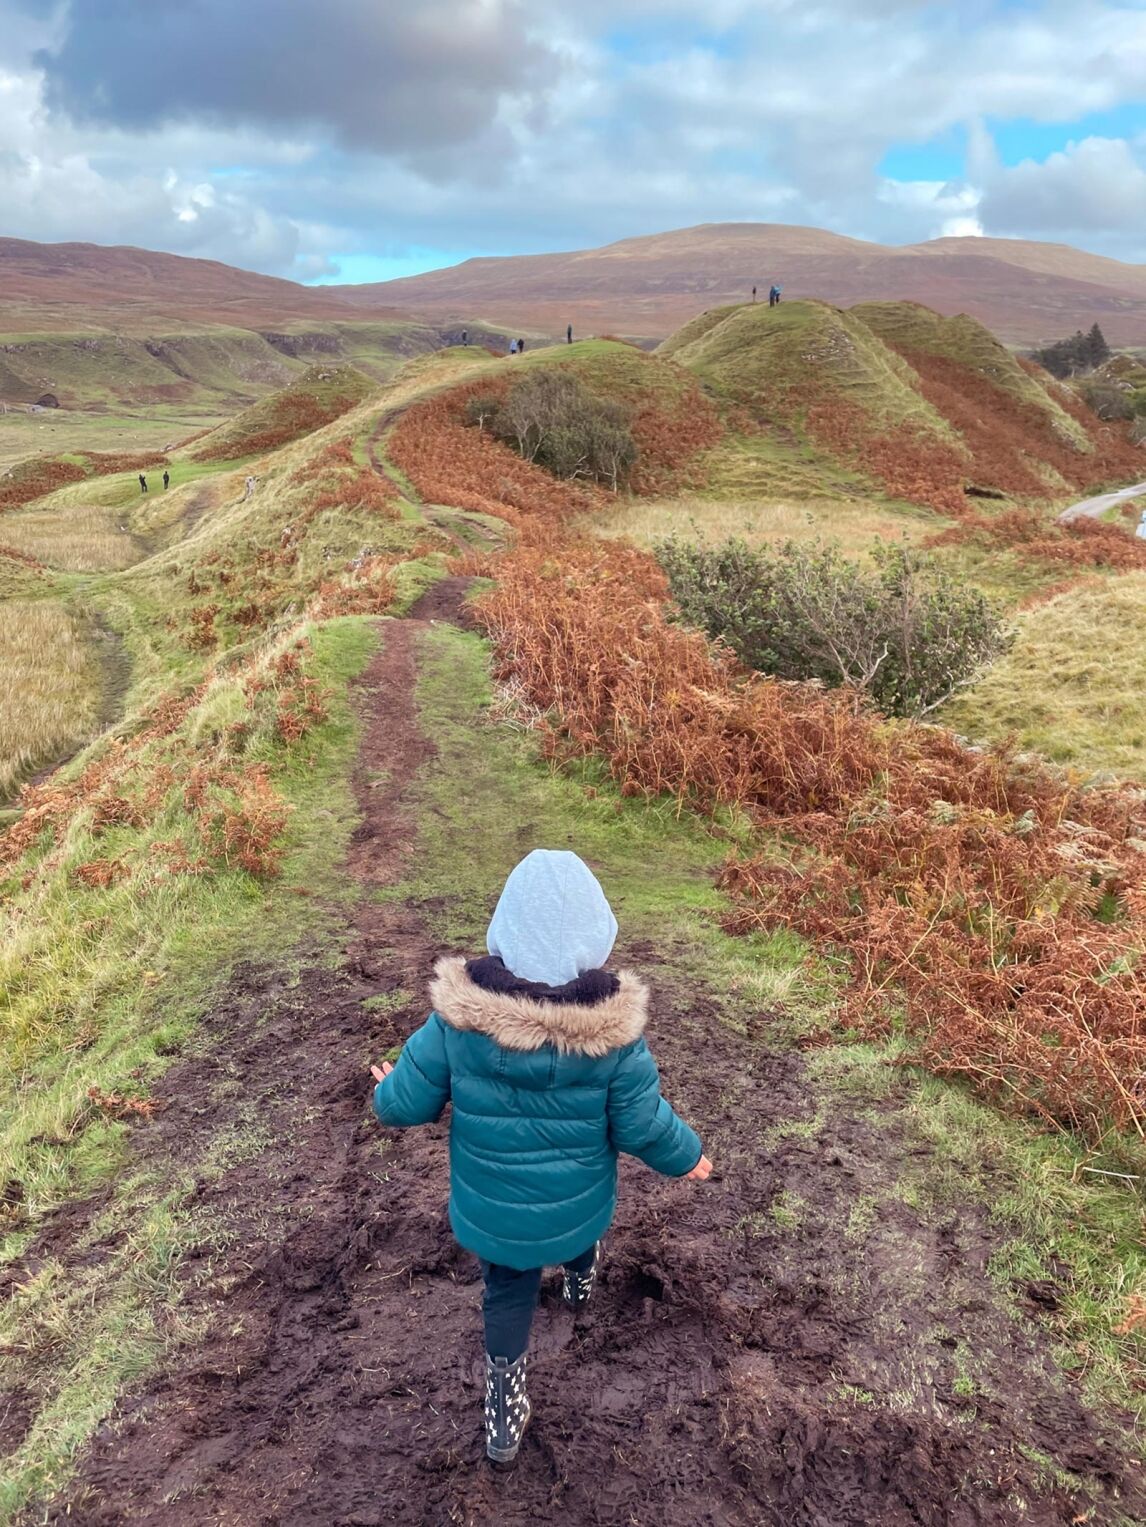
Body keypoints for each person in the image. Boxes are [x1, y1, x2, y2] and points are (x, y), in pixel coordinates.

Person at [371, 849, 711, 1467]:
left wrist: (386, 1085)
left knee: (507, 1293)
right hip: (578, 1204)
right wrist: (687, 1155)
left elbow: (404, 1104)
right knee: (580, 1230)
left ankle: (504, 1408)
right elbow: (641, 1124)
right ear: (597, 937)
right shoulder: (615, 1038)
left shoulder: (456, 1022)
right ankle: (580, 1280)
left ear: (504, 931)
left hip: (494, 1216)